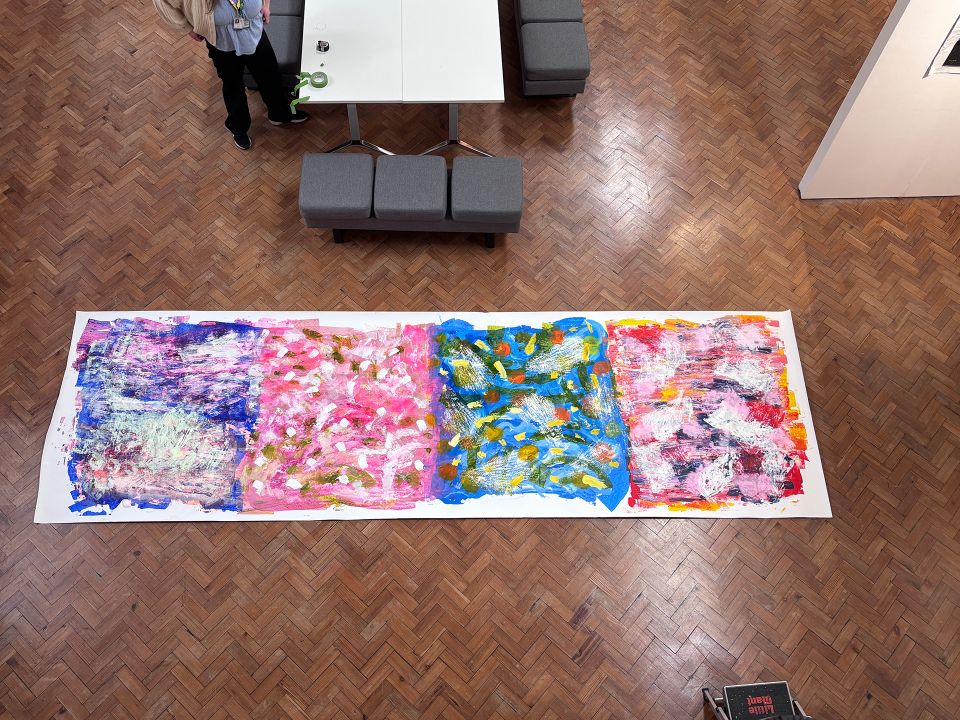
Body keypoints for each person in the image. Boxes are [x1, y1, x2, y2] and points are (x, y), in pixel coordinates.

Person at [153, 0, 308, 150]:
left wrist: (266, 5)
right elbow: (163, 3)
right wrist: (187, 28)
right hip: (221, 41)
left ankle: (279, 114)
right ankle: (239, 127)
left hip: (253, 31)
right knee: (232, 85)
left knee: (270, 74)